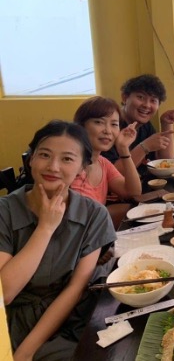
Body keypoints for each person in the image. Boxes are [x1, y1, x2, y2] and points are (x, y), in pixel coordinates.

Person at [0, 120, 116, 360]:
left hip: (69, 319)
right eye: (44, 154)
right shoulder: (5, 211)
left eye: (67, 159)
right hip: (11, 322)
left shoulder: (93, 214)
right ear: (31, 159)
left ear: (82, 168)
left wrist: (27, 351)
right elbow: (5, 293)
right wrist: (45, 228)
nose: (53, 166)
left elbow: (75, 288)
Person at [72, 96, 142, 228]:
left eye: (114, 124)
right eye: (99, 122)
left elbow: (133, 192)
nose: (108, 131)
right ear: (81, 127)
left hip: (95, 230)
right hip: (79, 238)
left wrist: (123, 149)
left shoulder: (102, 162)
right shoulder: (72, 167)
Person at [102, 74, 174, 175]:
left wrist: (166, 124)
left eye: (153, 100)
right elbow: (112, 174)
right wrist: (144, 147)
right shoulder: (110, 126)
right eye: (140, 97)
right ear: (125, 98)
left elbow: (164, 161)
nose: (147, 105)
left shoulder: (144, 125)